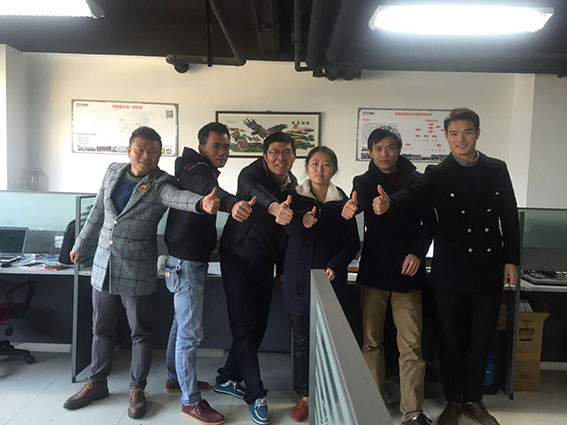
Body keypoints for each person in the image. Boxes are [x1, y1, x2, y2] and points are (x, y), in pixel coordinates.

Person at [372, 108, 520, 425]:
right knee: (451, 340)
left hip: (488, 265)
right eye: (453, 134)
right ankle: (453, 401)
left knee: (480, 339)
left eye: (466, 132)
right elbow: (414, 193)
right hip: (450, 268)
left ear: (477, 133)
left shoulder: (496, 168)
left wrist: (512, 259)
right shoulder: (438, 172)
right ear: (446, 136)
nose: (460, 139)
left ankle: (474, 401)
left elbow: (509, 215)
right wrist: (390, 203)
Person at [63, 126, 220, 419]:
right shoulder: (112, 172)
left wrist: (201, 203)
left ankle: (137, 388)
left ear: (160, 155)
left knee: (140, 332)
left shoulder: (161, 182)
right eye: (140, 150)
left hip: (137, 267)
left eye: (153, 152)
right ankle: (97, 382)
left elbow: (177, 197)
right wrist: (80, 244)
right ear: (129, 151)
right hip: (104, 264)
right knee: (101, 329)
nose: (146, 156)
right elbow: (98, 211)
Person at [163, 122, 257, 424]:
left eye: (227, 147)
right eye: (217, 146)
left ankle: (174, 378)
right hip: (186, 262)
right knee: (190, 334)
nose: (223, 152)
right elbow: (210, 192)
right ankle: (190, 401)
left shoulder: (196, 168)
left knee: (180, 325)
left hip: (186, 259)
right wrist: (234, 204)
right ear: (202, 146)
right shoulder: (195, 169)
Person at [342, 127, 436, 425]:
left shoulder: (417, 181)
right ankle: (373, 403)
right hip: (374, 273)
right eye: (379, 148)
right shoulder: (363, 182)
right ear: (370, 152)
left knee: (411, 346)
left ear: (399, 149)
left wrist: (417, 253)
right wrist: (349, 209)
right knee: (372, 342)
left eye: (391, 147)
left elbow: (429, 224)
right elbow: (356, 206)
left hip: (408, 274)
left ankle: (413, 412)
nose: (385, 154)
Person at [214, 131, 298, 425]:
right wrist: (275, 207)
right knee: (244, 324)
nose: (280, 157)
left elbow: (286, 234)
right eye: (274, 152)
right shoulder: (250, 174)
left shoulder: (292, 185)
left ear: (293, 157)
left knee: (257, 325)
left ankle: (226, 377)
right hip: (237, 258)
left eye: (286, 152)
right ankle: (255, 393)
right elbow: (256, 192)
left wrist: (283, 268)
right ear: (265, 156)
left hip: (264, 261)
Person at [283, 146, 361, 422]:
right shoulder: (292, 197)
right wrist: (300, 222)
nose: (319, 169)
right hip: (297, 279)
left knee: (329, 340)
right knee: (301, 339)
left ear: (334, 169)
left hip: (331, 280)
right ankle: (305, 395)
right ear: (306, 167)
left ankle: (329, 391)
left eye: (326, 164)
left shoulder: (343, 202)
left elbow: (352, 244)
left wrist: (336, 266)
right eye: (314, 163)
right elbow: (283, 231)